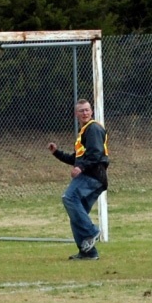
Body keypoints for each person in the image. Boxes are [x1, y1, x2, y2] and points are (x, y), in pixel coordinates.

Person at [47, 99, 109, 261]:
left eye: (87, 110)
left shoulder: (93, 128)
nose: (85, 113)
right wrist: (57, 153)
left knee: (69, 197)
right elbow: (77, 159)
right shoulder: (84, 132)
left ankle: (91, 232)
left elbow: (95, 154)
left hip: (92, 175)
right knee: (77, 215)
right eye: (81, 111)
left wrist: (81, 168)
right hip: (95, 177)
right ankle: (88, 252)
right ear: (76, 114)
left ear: (92, 111)